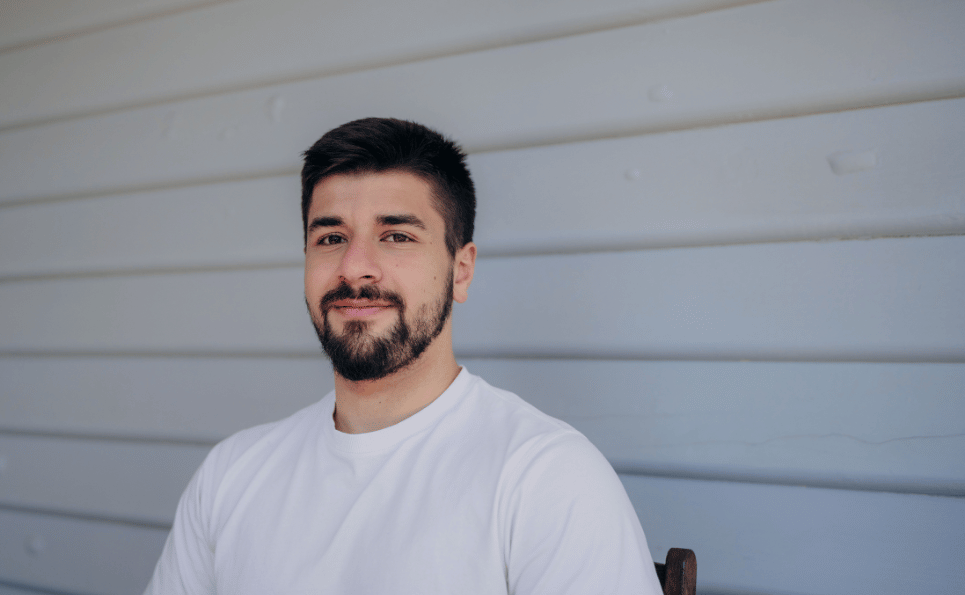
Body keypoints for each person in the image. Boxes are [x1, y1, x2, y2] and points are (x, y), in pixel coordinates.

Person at [144, 118, 661, 594]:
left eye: (396, 236)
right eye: (331, 237)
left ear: (461, 270)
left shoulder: (545, 477)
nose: (355, 268)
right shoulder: (232, 474)